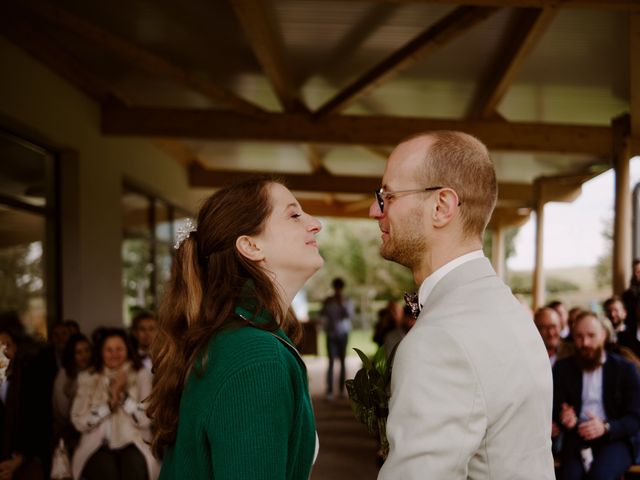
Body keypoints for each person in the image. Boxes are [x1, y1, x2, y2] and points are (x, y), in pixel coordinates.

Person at [369, 131, 554, 479]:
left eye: (386, 196)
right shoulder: (506, 308)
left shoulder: (440, 339)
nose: (374, 211)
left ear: (441, 207)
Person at [147, 177, 323, 479]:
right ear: (250, 245)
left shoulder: (238, 340)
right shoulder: (255, 354)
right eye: (294, 215)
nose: (315, 224)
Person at [553, 311, 640, 479]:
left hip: (616, 439)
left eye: (591, 336)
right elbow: (553, 407)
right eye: (579, 336)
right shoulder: (563, 369)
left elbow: (636, 417)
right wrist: (563, 417)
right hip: (576, 438)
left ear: (603, 335)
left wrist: (606, 427)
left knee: (600, 477)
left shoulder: (625, 369)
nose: (584, 343)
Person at [71, 328, 158, 480]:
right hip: (97, 445)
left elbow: (147, 418)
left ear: (127, 350)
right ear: (100, 352)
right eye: (109, 350)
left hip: (135, 442)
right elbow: (79, 421)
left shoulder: (141, 374)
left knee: (134, 470)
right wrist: (109, 406)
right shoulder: (88, 377)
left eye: (119, 349)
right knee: (106, 472)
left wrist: (123, 397)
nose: (114, 354)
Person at [52, 334, 93, 455]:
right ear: (72, 355)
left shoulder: (96, 371)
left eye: (87, 350)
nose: (84, 356)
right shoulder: (64, 374)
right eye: (79, 352)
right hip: (70, 430)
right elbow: (61, 410)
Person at [320, 277, 354, 399]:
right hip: (331, 333)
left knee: (343, 361)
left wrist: (342, 303)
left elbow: (349, 315)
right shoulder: (328, 300)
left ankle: (341, 390)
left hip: (343, 333)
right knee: (330, 362)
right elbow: (322, 314)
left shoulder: (347, 300)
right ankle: (329, 390)